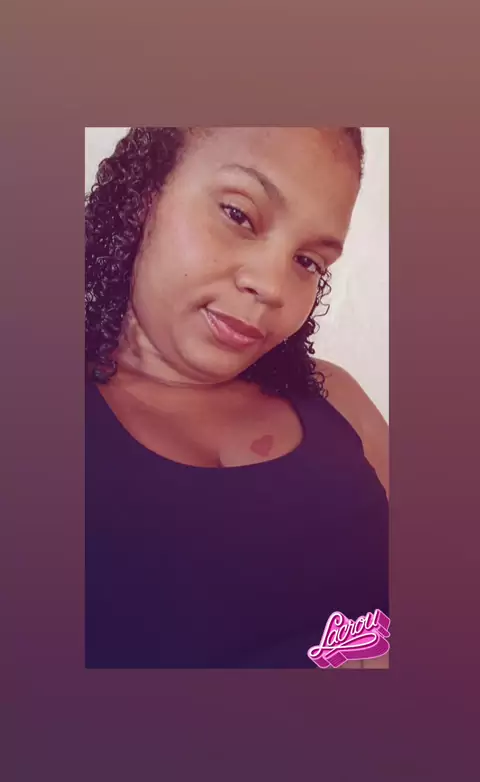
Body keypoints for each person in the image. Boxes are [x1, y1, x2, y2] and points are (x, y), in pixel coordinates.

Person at [85, 126, 389, 669]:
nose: (272, 286)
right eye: (239, 215)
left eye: (308, 261)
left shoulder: (336, 398)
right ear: (146, 196)